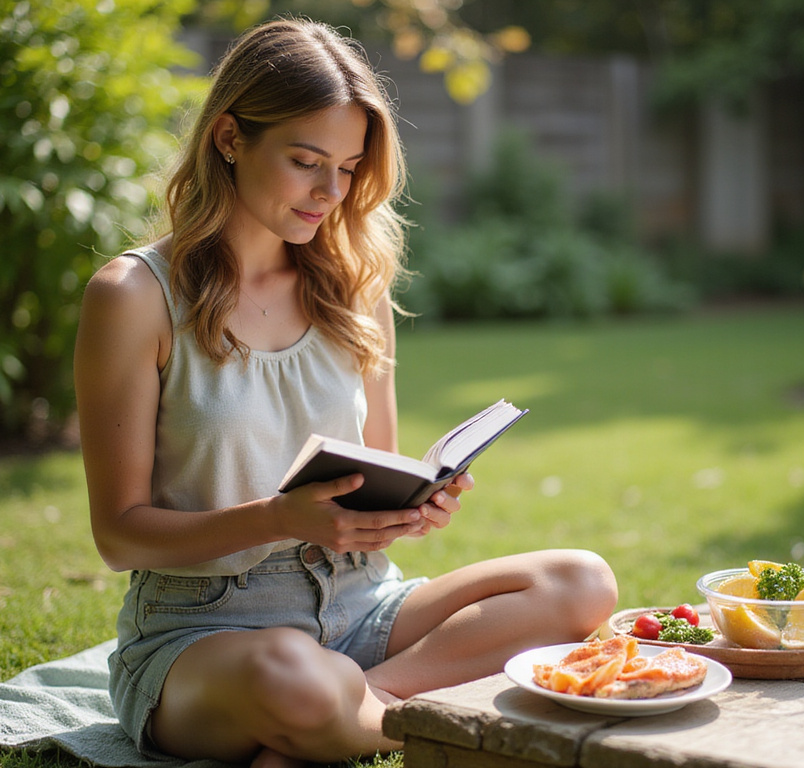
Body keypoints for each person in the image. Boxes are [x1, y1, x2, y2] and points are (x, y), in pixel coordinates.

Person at [73, 17, 618, 768]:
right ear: (229, 138)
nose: (331, 192)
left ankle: (358, 707)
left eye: (350, 168)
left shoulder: (355, 288)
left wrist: (411, 504)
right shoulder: (133, 296)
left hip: (364, 604)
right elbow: (119, 536)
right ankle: (371, 713)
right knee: (295, 679)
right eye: (306, 162)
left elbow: (374, 474)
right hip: (206, 629)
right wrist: (276, 518)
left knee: (580, 582)